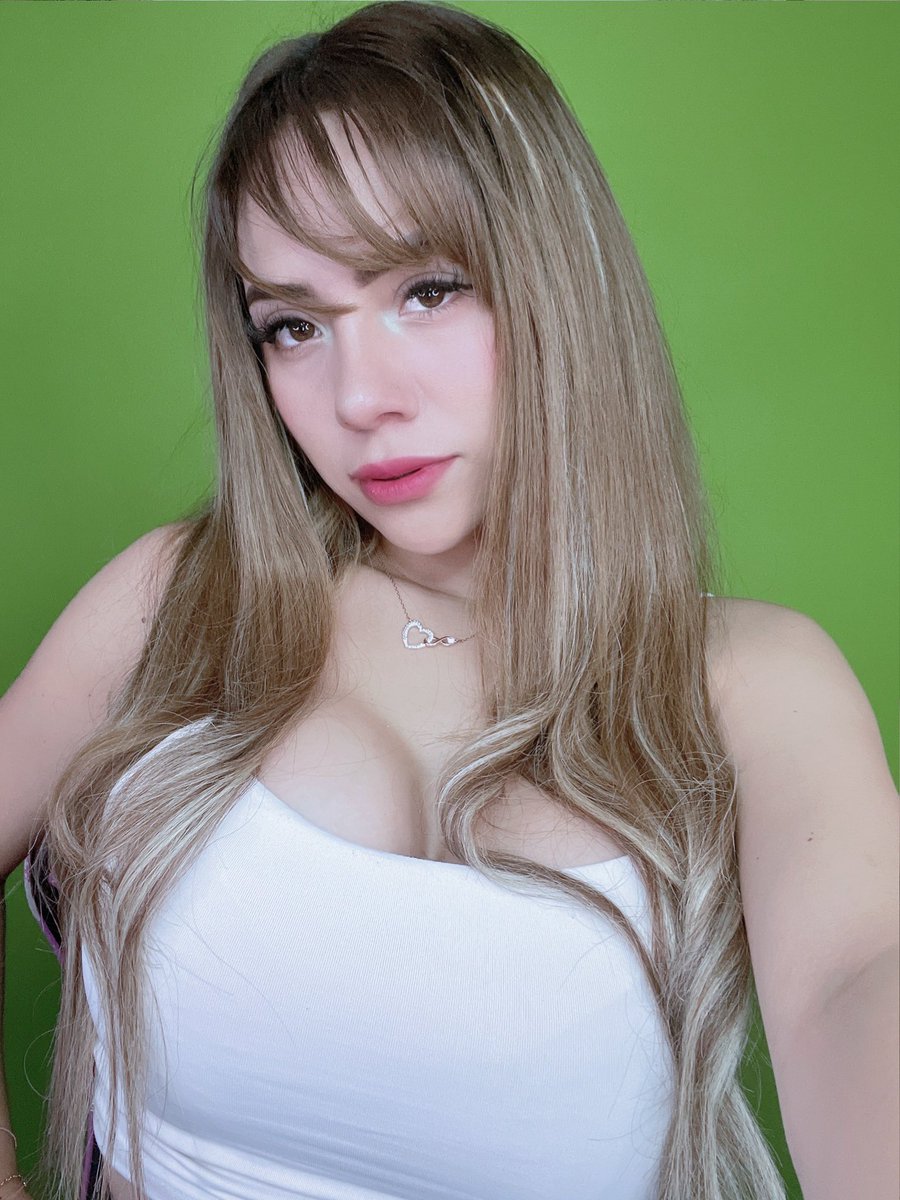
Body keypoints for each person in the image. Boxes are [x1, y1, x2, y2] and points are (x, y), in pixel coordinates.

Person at [1, 3, 897, 1199]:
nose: (360, 397)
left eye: (428, 289)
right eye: (293, 325)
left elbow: (853, 980)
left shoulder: (749, 685)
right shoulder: (179, 597)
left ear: (555, 286)